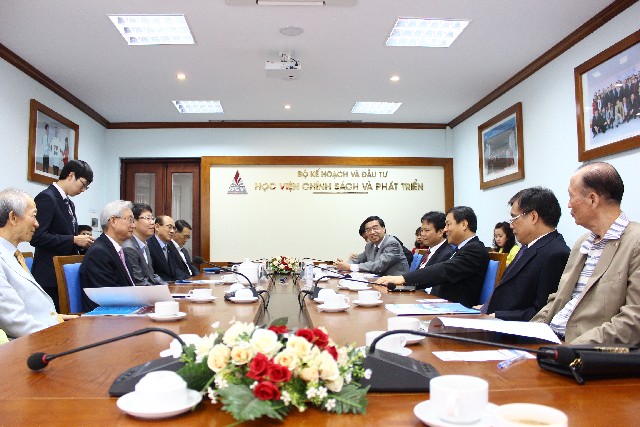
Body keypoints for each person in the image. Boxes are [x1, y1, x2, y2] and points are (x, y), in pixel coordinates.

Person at [532, 162, 640, 345]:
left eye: (571, 196)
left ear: (592, 199)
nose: (568, 205)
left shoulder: (635, 243)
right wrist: (527, 333)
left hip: (582, 350)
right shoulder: (582, 243)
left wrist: (570, 349)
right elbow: (557, 300)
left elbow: (633, 322)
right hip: (549, 341)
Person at [481, 187, 570, 321]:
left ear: (533, 217)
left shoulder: (555, 253)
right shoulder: (528, 247)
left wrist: (498, 316)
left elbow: (544, 311)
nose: (511, 225)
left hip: (512, 329)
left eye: (514, 218)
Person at [376, 206, 489, 307]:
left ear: (464, 225)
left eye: (448, 224)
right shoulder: (462, 248)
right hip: (439, 304)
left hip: (455, 310)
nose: (445, 229)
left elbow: (445, 270)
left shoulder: (475, 249)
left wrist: (403, 278)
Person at [0, 188, 75, 338]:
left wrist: (56, 319)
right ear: (13, 217)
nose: (37, 224)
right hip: (26, 343)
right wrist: (57, 331)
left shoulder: (13, 254)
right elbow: (15, 321)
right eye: (33, 216)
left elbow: (28, 305)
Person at [31, 159, 95, 310]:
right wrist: (73, 239)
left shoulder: (69, 203)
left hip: (64, 273)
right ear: (71, 175)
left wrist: (83, 243)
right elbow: (37, 237)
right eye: (83, 184)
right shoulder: (47, 197)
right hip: (49, 276)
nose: (83, 190)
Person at [79, 200, 136, 311]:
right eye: (130, 220)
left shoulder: (118, 250)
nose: (133, 225)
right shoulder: (99, 253)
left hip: (126, 308)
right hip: (107, 316)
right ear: (113, 221)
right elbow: (109, 297)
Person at [335, 216, 409, 276]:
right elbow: (359, 259)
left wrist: (349, 267)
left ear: (383, 229)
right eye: (368, 230)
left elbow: (379, 265)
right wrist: (344, 264)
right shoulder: (370, 245)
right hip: (379, 281)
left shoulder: (392, 243)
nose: (372, 232)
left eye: (375, 228)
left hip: (396, 285)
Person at [121, 203, 166, 286]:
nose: (153, 222)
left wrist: (166, 286)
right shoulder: (129, 248)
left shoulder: (144, 245)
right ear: (133, 221)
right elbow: (138, 282)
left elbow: (151, 276)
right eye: (147, 218)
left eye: (152, 218)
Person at [147, 215, 190, 282]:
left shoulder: (171, 245)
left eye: (174, 228)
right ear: (157, 227)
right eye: (169, 227)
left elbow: (177, 269)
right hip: (159, 285)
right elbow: (152, 274)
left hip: (173, 285)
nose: (172, 231)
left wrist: (188, 281)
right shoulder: (148, 245)